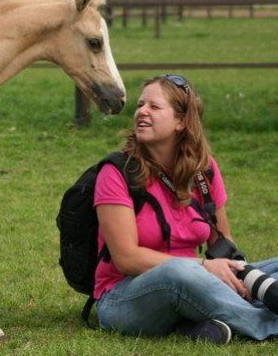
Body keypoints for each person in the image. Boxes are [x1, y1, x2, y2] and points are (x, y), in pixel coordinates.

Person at [94, 74, 278, 343]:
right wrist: (203, 266)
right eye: (140, 105)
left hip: (198, 280)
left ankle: (204, 324)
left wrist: (238, 275)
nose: (142, 112)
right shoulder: (116, 172)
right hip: (125, 297)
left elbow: (223, 242)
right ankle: (267, 324)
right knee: (179, 272)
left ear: (181, 121)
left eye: (154, 107)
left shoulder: (204, 171)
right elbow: (126, 258)